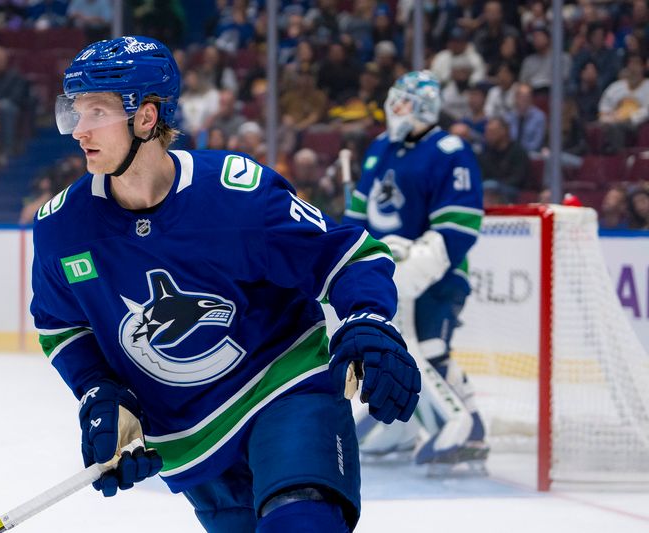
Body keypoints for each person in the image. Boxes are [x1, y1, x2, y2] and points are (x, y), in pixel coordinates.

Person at [30, 36, 421, 532]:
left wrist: (367, 317)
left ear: (146, 118)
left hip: (286, 391)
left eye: (97, 112)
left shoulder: (236, 194)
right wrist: (100, 391)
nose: (79, 130)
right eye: (75, 112)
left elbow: (347, 256)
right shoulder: (62, 228)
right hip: (189, 441)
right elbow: (62, 327)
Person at [343, 71, 488, 472]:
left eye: (404, 101)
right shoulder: (380, 148)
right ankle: (401, 428)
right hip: (386, 271)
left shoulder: (449, 149)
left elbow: (459, 223)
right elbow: (358, 214)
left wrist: (424, 259)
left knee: (430, 349)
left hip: (437, 273)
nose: (395, 108)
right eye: (395, 99)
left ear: (424, 105)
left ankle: (469, 428)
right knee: (390, 349)